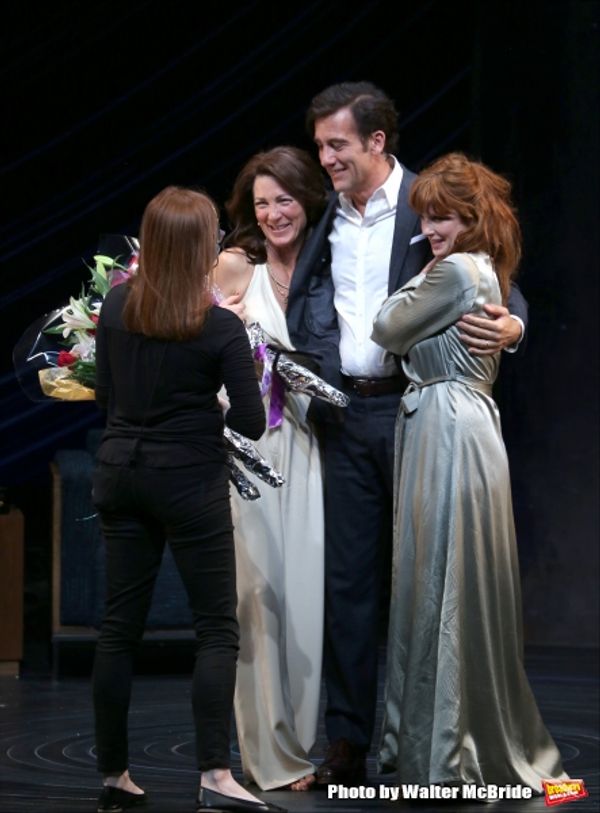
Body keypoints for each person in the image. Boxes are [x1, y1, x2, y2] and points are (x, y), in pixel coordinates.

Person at [285, 81, 528, 786]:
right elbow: (308, 298)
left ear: (376, 142)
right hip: (345, 416)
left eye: (337, 144)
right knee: (350, 585)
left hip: (414, 410)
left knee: (425, 582)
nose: (325, 157)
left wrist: (512, 326)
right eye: (321, 144)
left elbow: (496, 280)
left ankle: (425, 737)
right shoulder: (326, 214)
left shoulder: (430, 202)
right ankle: (350, 740)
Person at [371, 152, 568, 790]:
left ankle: (450, 751)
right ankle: (449, 742)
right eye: (426, 218)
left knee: (444, 580)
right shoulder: (480, 269)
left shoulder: (456, 269)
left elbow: (386, 327)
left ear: (473, 219)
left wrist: (428, 277)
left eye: (444, 218)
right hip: (460, 421)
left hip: (447, 423)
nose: (431, 230)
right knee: (449, 580)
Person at [91, 186, 285, 813]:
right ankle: (214, 775)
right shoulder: (220, 325)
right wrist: (238, 359)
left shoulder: (117, 306)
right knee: (216, 631)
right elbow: (252, 423)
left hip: (121, 473)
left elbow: (106, 400)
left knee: (118, 630)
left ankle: (113, 775)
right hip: (189, 481)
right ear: (204, 249)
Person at [213, 146, 327, 792]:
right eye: (262, 202)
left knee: (306, 600)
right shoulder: (238, 265)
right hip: (250, 451)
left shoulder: (325, 263)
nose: (274, 212)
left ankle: (305, 741)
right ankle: (270, 756)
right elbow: (195, 336)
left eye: (284, 198)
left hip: (310, 449)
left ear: (306, 197)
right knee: (259, 602)